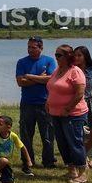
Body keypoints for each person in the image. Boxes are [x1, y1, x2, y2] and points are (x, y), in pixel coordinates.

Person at [46, 44, 89, 183]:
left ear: (67, 57)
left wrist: (68, 108)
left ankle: (83, 172)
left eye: (59, 55)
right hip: (56, 113)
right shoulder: (58, 70)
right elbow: (52, 86)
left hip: (73, 114)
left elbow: (79, 93)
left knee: (75, 142)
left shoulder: (75, 71)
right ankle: (72, 170)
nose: (56, 57)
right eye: (55, 54)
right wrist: (48, 102)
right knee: (62, 142)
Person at [15, 36, 57, 175]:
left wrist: (30, 76)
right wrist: (40, 78)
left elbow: (50, 79)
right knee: (26, 135)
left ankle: (49, 161)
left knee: (48, 135)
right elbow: (20, 82)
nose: (30, 50)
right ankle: (28, 161)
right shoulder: (21, 62)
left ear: (41, 48)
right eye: (28, 47)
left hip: (45, 103)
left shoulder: (49, 61)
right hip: (27, 104)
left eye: (33, 47)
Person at [0, 115, 32, 183]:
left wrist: (28, 160)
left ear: (8, 127)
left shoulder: (13, 136)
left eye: (0, 124)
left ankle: (0, 180)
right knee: (4, 160)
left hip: (7, 163)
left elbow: (23, 147)